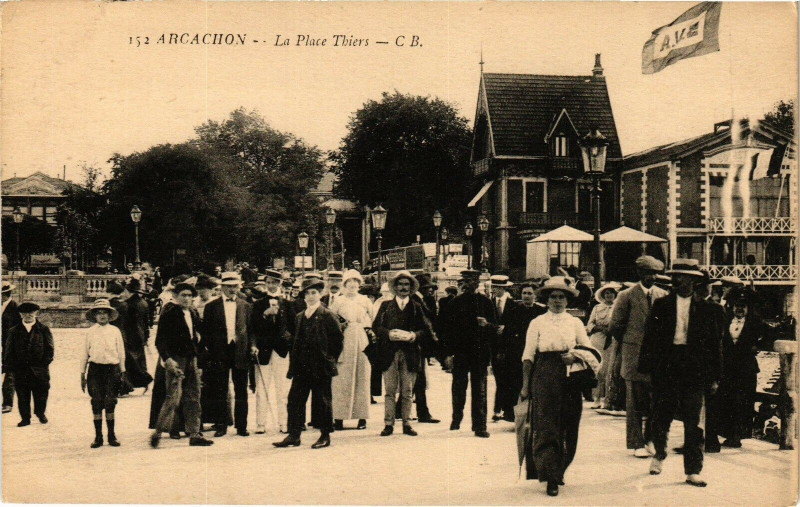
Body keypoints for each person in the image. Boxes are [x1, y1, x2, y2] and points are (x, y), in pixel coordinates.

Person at [640, 259, 722, 487]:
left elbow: (715, 344)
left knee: (693, 421)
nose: (678, 280)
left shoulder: (707, 309)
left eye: (683, 277)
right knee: (661, 415)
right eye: (675, 276)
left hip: (694, 368)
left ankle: (693, 469)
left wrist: (715, 376)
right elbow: (650, 339)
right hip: (667, 366)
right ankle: (659, 455)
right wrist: (647, 370)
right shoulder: (661, 305)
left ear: (694, 281)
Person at [519, 277, 600, 497]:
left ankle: (561, 468)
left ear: (567, 299)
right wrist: (526, 386)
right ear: (546, 299)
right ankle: (550, 476)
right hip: (545, 373)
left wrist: (573, 356)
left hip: (570, 376)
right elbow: (528, 356)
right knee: (546, 425)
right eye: (553, 297)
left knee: (569, 424)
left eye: (561, 297)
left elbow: (590, 350)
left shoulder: (574, 322)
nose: (557, 301)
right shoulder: (537, 322)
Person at [608, 255, 668, 458]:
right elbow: (615, 326)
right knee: (634, 401)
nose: (652, 277)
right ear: (639, 273)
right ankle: (636, 443)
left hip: (656, 358)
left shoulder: (662, 295)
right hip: (634, 356)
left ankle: (650, 438)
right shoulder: (626, 296)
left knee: (655, 401)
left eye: (655, 273)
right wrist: (631, 343)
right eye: (648, 273)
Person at [273, 278, 344, 449]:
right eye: (307, 293)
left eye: (314, 293)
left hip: (320, 366)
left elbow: (337, 341)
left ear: (320, 295)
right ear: (303, 296)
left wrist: (328, 359)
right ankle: (294, 434)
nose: (310, 296)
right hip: (301, 366)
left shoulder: (327, 315)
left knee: (322, 401)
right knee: (295, 400)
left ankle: (325, 435)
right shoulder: (299, 317)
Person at [150, 283, 213, 447]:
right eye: (183, 295)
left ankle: (194, 434)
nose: (186, 298)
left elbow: (197, 336)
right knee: (172, 397)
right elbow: (160, 340)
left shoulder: (192, 313)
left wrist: (198, 355)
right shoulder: (170, 313)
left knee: (193, 396)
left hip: (191, 358)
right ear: (176, 296)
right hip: (176, 359)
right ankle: (157, 432)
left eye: (189, 295)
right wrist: (168, 359)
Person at [440, 269, 497, 438]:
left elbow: (495, 328)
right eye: (466, 281)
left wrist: (486, 325)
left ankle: (480, 425)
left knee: (480, 388)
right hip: (460, 352)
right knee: (459, 387)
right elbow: (446, 330)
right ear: (463, 283)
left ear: (477, 283)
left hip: (480, 352)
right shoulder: (455, 303)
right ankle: (456, 418)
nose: (469, 284)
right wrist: (447, 354)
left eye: (473, 281)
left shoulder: (485, 302)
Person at [372, 271, 429, 437]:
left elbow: (425, 330)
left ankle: (406, 423)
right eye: (400, 285)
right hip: (389, 353)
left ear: (411, 288)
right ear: (395, 288)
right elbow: (376, 327)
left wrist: (413, 336)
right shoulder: (385, 306)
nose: (403, 288)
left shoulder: (416, 307)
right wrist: (388, 334)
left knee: (407, 391)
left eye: (407, 285)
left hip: (410, 353)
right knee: (390, 390)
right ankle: (388, 424)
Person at [707, 288, 763, 450]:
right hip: (727, 368)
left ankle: (737, 436)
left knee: (743, 402)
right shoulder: (725, 320)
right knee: (725, 400)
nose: (740, 309)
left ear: (748, 308)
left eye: (743, 306)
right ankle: (726, 433)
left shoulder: (755, 322)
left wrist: (756, 345)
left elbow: (766, 336)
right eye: (737, 305)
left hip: (745, 369)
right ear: (732, 306)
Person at [201, 272, 255, 437]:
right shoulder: (211, 306)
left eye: (235, 286)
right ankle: (221, 424)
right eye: (228, 286)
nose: (232, 289)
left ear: (239, 287)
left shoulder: (246, 306)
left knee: (241, 390)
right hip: (220, 353)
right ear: (222, 287)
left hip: (240, 351)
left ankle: (241, 426)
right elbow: (206, 332)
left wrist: (253, 345)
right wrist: (210, 350)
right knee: (220, 389)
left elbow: (252, 330)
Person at [330, 269, 374, 430]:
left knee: (362, 376)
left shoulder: (364, 300)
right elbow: (331, 320)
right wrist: (340, 326)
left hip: (361, 339)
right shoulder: (338, 301)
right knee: (341, 378)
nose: (352, 285)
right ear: (344, 284)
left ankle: (362, 417)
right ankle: (339, 417)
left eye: (356, 282)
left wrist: (368, 329)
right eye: (349, 282)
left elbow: (373, 318)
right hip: (344, 340)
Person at [79, 299, 126, 448]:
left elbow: (121, 353)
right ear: (95, 316)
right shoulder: (90, 332)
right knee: (96, 402)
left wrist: (122, 372)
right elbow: (84, 354)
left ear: (109, 314)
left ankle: (111, 435)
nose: (102, 316)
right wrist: (82, 374)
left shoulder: (115, 331)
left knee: (110, 401)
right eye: (98, 313)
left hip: (112, 369)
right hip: (95, 370)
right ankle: (98, 436)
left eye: (104, 312)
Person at [250, 269, 292, 434]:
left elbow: (292, 327)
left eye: (275, 282)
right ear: (265, 284)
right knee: (262, 389)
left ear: (280, 284)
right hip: (263, 350)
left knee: (283, 389)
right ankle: (261, 424)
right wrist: (265, 316)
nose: (271, 285)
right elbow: (253, 327)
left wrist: (288, 341)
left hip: (281, 351)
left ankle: (284, 422)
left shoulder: (287, 303)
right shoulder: (258, 304)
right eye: (268, 282)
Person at [497, 282, 546, 420]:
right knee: (515, 383)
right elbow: (506, 333)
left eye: (530, 293)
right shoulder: (513, 310)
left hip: (535, 352)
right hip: (515, 352)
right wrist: (503, 350)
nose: (526, 296)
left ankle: (535, 414)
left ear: (535, 295)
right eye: (524, 293)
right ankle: (513, 414)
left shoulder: (541, 312)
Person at [3, 302, 54, 427]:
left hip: (39, 370)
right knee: (22, 394)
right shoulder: (14, 331)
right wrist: (12, 367)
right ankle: (25, 418)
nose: (28, 316)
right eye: (25, 313)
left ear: (36, 314)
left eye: (31, 313)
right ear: (20, 315)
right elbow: (8, 351)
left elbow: (50, 350)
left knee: (41, 393)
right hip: (21, 370)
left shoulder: (43, 329)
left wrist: (43, 365)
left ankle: (40, 413)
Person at [408, 273, 440, 424]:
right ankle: (423, 413)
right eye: (427, 288)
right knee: (418, 380)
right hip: (415, 344)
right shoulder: (415, 300)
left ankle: (402, 410)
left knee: (418, 380)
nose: (430, 290)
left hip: (419, 345)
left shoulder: (422, 299)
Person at [586, 283, 621, 409]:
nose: (609, 295)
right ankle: (596, 398)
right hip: (598, 340)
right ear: (603, 295)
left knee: (610, 369)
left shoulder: (618, 307)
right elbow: (589, 324)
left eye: (611, 293)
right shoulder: (596, 308)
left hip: (612, 340)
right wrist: (598, 327)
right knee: (598, 369)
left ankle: (608, 399)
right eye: (607, 293)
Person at [489, 274, 516, 422]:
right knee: (499, 378)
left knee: (508, 379)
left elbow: (516, 324)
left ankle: (505, 409)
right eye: (494, 287)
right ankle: (498, 409)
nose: (495, 290)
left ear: (504, 289)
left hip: (509, 347)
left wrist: (506, 329)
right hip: (494, 346)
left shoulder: (513, 305)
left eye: (499, 288)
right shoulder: (489, 303)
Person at [120, 278, 153, 395]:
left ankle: (143, 380)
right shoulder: (143, 303)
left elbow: (128, 323)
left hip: (131, 335)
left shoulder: (129, 305)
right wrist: (146, 336)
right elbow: (146, 322)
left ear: (129, 291)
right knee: (138, 359)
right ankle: (139, 382)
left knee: (130, 360)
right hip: (140, 335)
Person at [2, 283, 21, 414]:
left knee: (9, 374)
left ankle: (7, 403)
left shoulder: (15, 308)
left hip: (9, 347)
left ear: (4, 295)